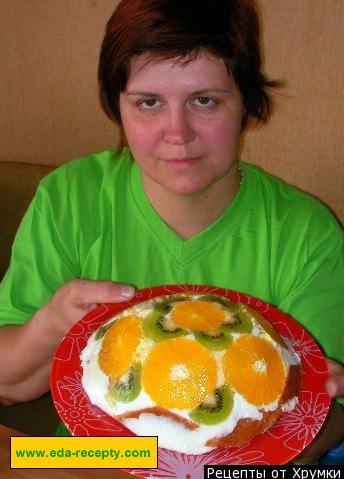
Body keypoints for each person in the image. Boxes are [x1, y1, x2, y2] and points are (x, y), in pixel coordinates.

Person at [0, 0, 343, 465]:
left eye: (204, 100)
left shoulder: (307, 231)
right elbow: (9, 387)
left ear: (246, 103)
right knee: (23, 458)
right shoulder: (69, 196)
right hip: (87, 457)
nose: (177, 133)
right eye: (149, 102)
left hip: (242, 468)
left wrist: (308, 408)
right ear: (117, 107)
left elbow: (331, 417)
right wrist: (52, 323)